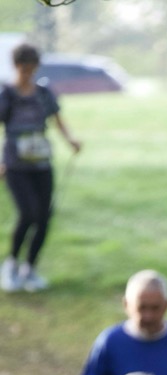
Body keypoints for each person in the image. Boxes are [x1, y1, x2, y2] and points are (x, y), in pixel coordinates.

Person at [0, 42, 81, 293]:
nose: (28, 74)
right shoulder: (6, 95)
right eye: (24, 69)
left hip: (42, 164)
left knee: (44, 217)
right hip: (15, 165)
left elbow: (57, 120)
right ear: (16, 67)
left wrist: (71, 141)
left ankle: (30, 269)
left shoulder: (44, 93)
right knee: (28, 214)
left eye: (32, 69)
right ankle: (11, 264)